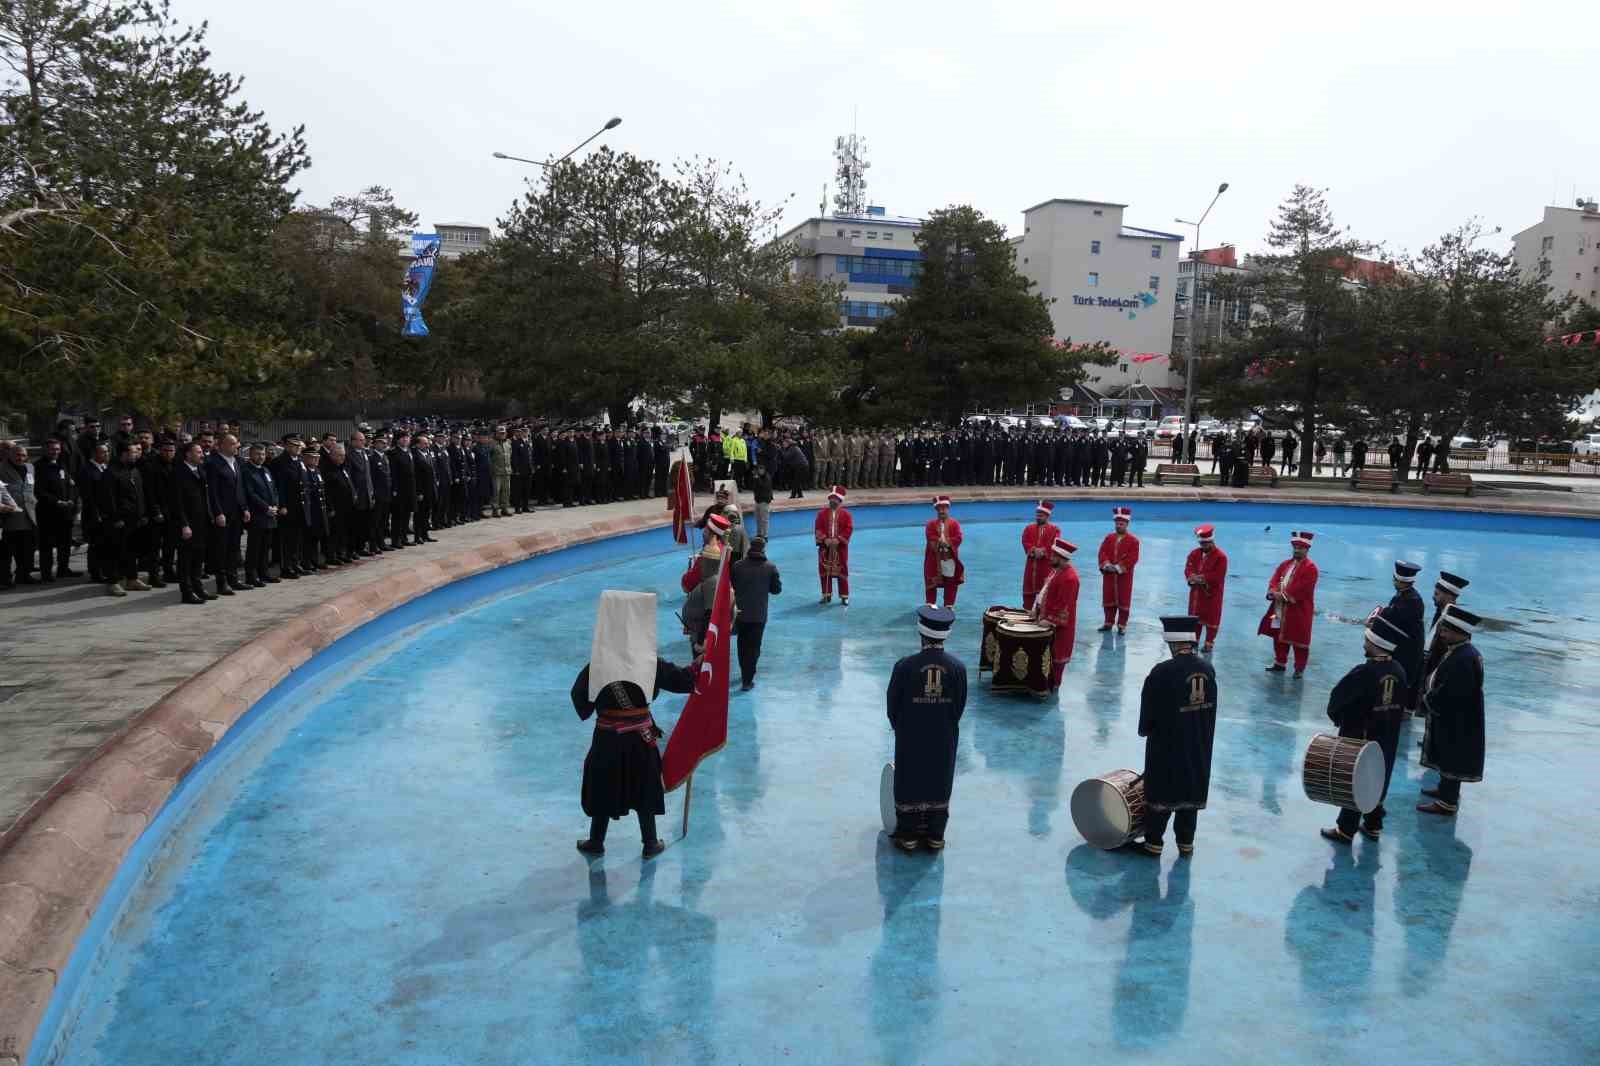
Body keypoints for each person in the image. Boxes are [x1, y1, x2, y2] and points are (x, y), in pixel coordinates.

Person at [572, 591, 698, 858]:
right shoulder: (650, 664)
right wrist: (702, 661)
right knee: (644, 786)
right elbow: (685, 681)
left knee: (603, 786)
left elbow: (579, 697)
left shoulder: (597, 665)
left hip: (606, 739)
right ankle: (650, 843)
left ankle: (597, 841)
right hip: (641, 739)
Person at [1318, 613, 1409, 844]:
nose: (1364, 643)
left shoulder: (1364, 673)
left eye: (1367, 640)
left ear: (1374, 643)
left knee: (1356, 781)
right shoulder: (1399, 670)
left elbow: (1338, 699)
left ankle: (1346, 830)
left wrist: (1338, 717)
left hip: (1360, 738)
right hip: (1387, 738)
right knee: (1379, 777)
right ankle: (1373, 825)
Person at [886, 605, 968, 852]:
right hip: (943, 736)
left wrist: (902, 727)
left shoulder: (905, 666)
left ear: (921, 634)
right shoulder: (958, 668)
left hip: (911, 735)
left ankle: (908, 835)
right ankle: (935, 835)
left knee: (910, 779)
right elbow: (959, 708)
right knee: (939, 779)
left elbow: (893, 706)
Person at [1136, 615, 1219, 857]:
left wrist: (1146, 730)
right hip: (1199, 745)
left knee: (1163, 792)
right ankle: (1185, 843)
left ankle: (1153, 843)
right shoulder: (1208, 669)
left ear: (1172, 644)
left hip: (1168, 746)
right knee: (1189, 791)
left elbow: (1148, 715)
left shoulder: (1162, 672)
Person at [1416, 604, 1485, 817]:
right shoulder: (1461, 652)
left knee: (1453, 756)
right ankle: (1445, 790)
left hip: (1457, 720)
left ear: (1458, 632)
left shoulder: (1463, 658)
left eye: (1446, 631)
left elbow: (1451, 693)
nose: (1442, 634)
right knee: (1447, 755)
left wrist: (1428, 699)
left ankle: (1447, 802)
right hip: (1455, 718)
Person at [1259, 530, 1319, 677]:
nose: (1297, 550)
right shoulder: (1285, 564)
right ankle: (1280, 663)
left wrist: (1281, 595)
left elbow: (1303, 588)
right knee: (1278, 635)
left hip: (1299, 609)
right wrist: (1272, 591)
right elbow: (1274, 579)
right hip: (1279, 606)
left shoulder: (1311, 568)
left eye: (1300, 548)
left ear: (1307, 549)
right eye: (1295, 547)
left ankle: (1299, 668)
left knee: (1299, 639)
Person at [98, 439, 151, 596]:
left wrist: (143, 514)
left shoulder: (134, 470)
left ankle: (132, 579)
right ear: (124, 454)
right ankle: (113, 582)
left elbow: (140, 493)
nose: (136, 455)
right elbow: (108, 498)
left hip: (135, 519)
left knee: (132, 551)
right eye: (133, 452)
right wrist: (115, 518)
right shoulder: (111, 472)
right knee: (114, 551)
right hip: (119, 521)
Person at [731, 536, 782, 691]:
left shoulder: (737, 566)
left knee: (742, 644)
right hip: (758, 615)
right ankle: (748, 679)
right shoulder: (770, 567)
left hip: (740, 614)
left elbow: (731, 585)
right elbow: (776, 590)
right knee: (754, 647)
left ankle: (744, 672)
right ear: (763, 549)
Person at [1030, 540, 1080, 690]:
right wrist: (1035, 609)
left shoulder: (1070, 579)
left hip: (1059, 628)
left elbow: (1065, 606)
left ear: (1061, 557)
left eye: (1054, 555)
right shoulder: (1055, 571)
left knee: (1056, 660)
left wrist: (1049, 621)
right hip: (1045, 620)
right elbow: (1043, 593)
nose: (1050, 557)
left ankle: (1053, 687)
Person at [169, 441, 212, 604]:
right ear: (188, 454)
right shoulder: (178, 472)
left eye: (202, 452)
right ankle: (186, 592)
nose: (202, 455)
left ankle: (198, 587)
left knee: (198, 558)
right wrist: (184, 524)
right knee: (186, 559)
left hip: (201, 521)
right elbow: (176, 502)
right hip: (187, 523)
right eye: (198, 452)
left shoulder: (200, 470)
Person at [33, 437, 78, 581]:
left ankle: (63, 569)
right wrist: (57, 501)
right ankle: (46, 573)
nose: (55, 452)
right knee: (46, 545)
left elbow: (70, 484)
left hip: (65, 512)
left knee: (65, 543)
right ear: (45, 450)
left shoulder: (61, 464)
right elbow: (38, 490)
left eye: (57, 449)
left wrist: (71, 499)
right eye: (52, 449)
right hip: (48, 512)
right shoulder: (37, 467)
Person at [1384, 561, 1427, 710]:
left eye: (1395, 579)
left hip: (1407, 652)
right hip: (1403, 649)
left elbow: (1394, 620)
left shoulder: (1412, 601)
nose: (1393, 581)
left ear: (1400, 581)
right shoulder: (1404, 596)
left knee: (1403, 684)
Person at [241, 443, 281, 587]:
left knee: (265, 547)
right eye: (258, 454)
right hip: (257, 514)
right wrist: (266, 508)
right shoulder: (246, 471)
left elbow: (274, 489)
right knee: (254, 548)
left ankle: (263, 573)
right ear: (251, 454)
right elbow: (250, 493)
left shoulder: (266, 470)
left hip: (270, 514)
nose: (261, 457)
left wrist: (276, 505)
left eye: (263, 454)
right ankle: (251, 576)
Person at [1183, 523, 1228, 652]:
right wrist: (1190, 577)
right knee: (1195, 617)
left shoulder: (1221, 557)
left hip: (1211, 594)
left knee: (1211, 618)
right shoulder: (1194, 554)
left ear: (1212, 541)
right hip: (1196, 593)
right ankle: (1194, 640)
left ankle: (1209, 643)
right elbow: (1188, 568)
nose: (1203, 546)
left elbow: (1218, 575)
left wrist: (1201, 578)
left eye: (1206, 544)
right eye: (1202, 544)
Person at [0, 442, 39, 588]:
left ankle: (23, 575)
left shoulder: (30, 468)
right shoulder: (1, 468)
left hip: (29, 514)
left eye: (23, 455)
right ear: (10, 454)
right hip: (9, 515)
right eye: (17, 454)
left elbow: (31, 488)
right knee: (6, 551)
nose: (20, 458)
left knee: (27, 548)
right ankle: (4, 579)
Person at [1097, 506, 1140, 634]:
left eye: (1121, 524)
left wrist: (1118, 567)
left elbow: (1133, 558)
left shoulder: (1133, 541)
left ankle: (1122, 625)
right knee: (1108, 598)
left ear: (1127, 524)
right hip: (1109, 575)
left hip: (1124, 576)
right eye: (1117, 523)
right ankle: (1108, 622)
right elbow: (1102, 552)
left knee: (1124, 600)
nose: (1119, 526)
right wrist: (1106, 564)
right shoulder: (1109, 538)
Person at [1423, 571, 1469, 680]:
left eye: (1437, 594)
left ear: (1449, 596)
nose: (1433, 597)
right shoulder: (1439, 613)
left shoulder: (1457, 622)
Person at [814, 486, 853, 606]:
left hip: (840, 548)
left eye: (835, 499)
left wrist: (839, 540)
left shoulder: (847, 515)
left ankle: (844, 596)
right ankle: (826, 595)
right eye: (831, 499)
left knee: (842, 571)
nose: (832, 502)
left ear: (840, 501)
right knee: (824, 571)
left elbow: (849, 529)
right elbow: (818, 528)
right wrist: (824, 539)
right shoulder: (821, 514)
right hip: (825, 548)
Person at [923, 495, 964, 609]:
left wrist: (948, 542)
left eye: (944, 508)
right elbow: (930, 537)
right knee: (931, 579)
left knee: (951, 582)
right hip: (934, 558)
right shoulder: (930, 524)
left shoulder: (954, 524)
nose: (942, 510)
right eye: (939, 508)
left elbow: (959, 537)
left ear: (948, 508)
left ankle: (949, 605)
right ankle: (930, 603)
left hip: (949, 558)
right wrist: (939, 542)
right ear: (936, 509)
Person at [1020, 500, 1060, 611]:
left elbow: (1055, 543)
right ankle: (1027, 612)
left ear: (1047, 516)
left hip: (1045, 565)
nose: (1038, 517)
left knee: (1045, 592)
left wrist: (1043, 551)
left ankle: (1042, 614)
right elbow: (1025, 541)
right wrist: (1033, 550)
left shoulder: (1055, 530)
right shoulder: (1028, 528)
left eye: (1041, 515)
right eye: (1037, 515)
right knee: (1029, 592)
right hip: (1031, 565)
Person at [750, 462, 773, 541]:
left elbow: (764, 486)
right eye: (758, 469)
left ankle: (765, 535)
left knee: (764, 519)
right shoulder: (757, 477)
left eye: (761, 469)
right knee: (758, 519)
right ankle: (759, 534)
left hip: (764, 501)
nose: (759, 471)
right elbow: (754, 487)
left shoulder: (767, 477)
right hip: (758, 501)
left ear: (764, 470)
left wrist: (757, 478)